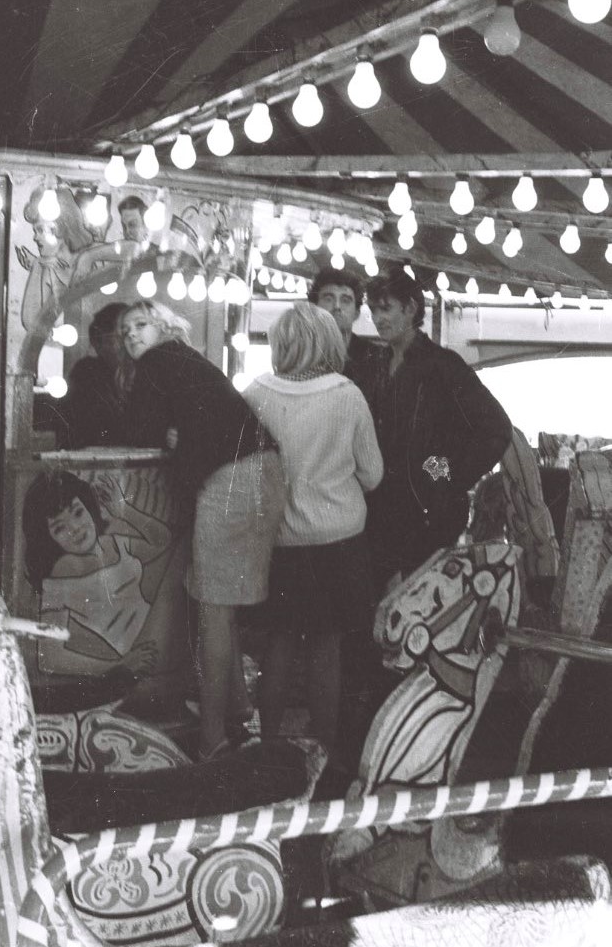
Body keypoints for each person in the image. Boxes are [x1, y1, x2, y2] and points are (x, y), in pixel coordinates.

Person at [117, 299, 285, 761]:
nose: (132, 335)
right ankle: (236, 708)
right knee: (219, 605)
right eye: (125, 330)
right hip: (262, 471)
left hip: (231, 479)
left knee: (213, 608)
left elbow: (138, 427)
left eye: (140, 324)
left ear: (164, 327)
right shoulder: (186, 361)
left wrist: (169, 433)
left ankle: (212, 738)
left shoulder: (158, 360)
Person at [242, 303, 382, 760]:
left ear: (280, 344)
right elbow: (373, 474)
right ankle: (325, 753)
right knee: (327, 649)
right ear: (329, 343)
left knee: (278, 645)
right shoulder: (348, 395)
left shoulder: (255, 393)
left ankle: (266, 748)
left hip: (278, 543)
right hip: (338, 543)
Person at [364, 267, 513, 588]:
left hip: (426, 515)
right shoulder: (377, 364)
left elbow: (496, 427)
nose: (377, 318)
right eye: (373, 309)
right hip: (384, 513)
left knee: (417, 604)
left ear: (410, 308)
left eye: (386, 308)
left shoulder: (443, 366)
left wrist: (445, 475)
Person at [22, 470, 169, 681]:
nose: (75, 528)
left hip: (156, 633)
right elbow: (49, 658)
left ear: (89, 508)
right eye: (60, 528)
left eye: (78, 513)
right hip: (145, 650)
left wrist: (124, 511)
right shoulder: (62, 572)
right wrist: (118, 667)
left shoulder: (113, 543)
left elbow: (163, 541)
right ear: (48, 539)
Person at [16, 185, 93, 330]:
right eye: (35, 231)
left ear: (60, 227)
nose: (35, 238)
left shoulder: (89, 261)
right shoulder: (46, 266)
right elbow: (30, 322)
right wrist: (37, 266)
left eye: (40, 230)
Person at [308, 266, 381, 400]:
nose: (337, 306)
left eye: (345, 300)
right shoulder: (302, 354)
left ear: (357, 313)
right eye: (328, 298)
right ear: (313, 308)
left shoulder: (376, 358)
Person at [63, 302, 128, 448]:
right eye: (120, 335)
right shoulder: (86, 372)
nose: (130, 340)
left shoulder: (143, 371)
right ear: (98, 343)